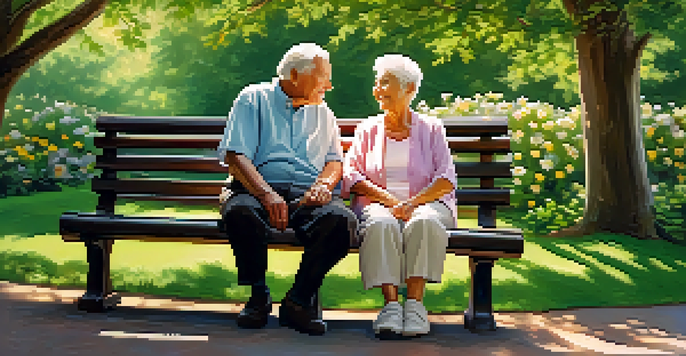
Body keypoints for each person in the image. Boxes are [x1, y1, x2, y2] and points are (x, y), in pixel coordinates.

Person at [218, 43, 358, 336]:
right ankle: (258, 296)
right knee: (241, 211)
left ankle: (298, 300)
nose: (329, 86)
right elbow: (235, 156)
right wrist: (266, 193)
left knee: (342, 222)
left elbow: (335, 162)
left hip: (306, 197)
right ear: (295, 75)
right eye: (323, 77)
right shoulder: (252, 99)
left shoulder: (324, 113)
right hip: (255, 190)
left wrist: (323, 185)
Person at [341, 54, 457, 338]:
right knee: (381, 223)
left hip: (428, 204)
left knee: (424, 222)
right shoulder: (367, 129)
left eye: (385, 83)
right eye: (377, 83)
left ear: (410, 89)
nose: (378, 89)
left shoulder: (432, 129)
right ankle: (391, 306)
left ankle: (415, 306)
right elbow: (352, 175)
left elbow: (445, 179)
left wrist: (412, 204)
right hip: (379, 205)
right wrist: (391, 201)